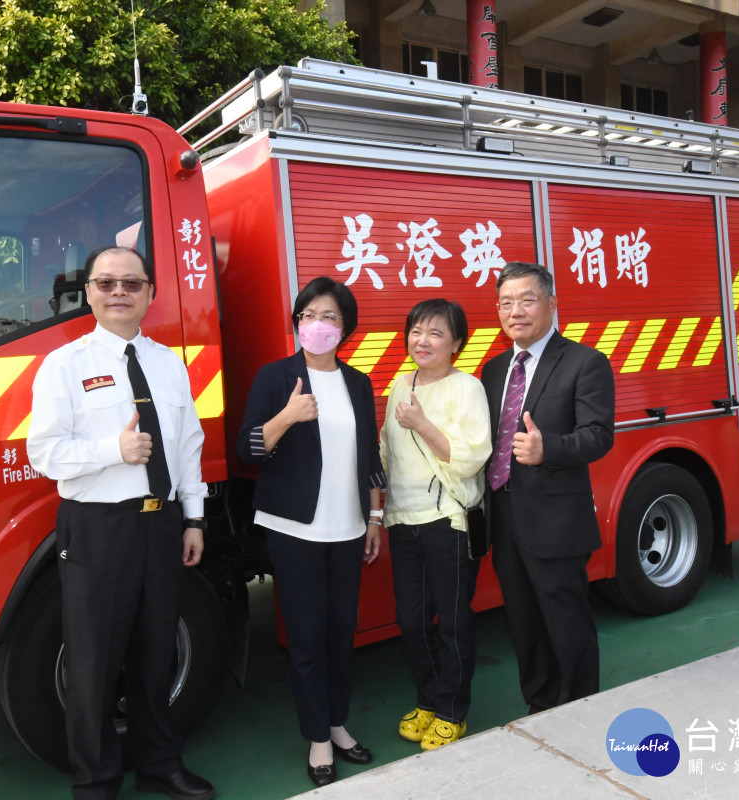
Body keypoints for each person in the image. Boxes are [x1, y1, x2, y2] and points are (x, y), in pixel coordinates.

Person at [27, 246, 214, 800]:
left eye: (131, 283)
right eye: (106, 283)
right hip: (97, 530)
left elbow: (189, 448)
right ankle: (96, 782)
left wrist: (194, 519)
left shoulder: (168, 363)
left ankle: (159, 763)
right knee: (93, 663)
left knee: (156, 653)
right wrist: (115, 448)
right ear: (87, 293)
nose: (119, 293)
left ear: (150, 294)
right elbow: (44, 452)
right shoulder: (65, 365)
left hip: (163, 526)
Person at [236, 276, 383, 789]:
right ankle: (317, 737)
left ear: (346, 329)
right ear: (297, 321)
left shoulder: (358, 383)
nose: (316, 325)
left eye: (329, 317)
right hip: (292, 529)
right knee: (306, 635)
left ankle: (338, 723)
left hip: (347, 527)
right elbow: (248, 449)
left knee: (341, 631)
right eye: (308, 315)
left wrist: (375, 517)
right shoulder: (277, 377)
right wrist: (287, 417)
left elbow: (370, 457)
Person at [481, 261, 614, 714]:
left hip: (557, 521)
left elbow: (598, 435)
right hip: (504, 519)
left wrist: (548, 447)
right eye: (505, 302)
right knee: (522, 622)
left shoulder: (585, 362)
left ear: (552, 304)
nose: (514, 311)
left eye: (526, 299)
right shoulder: (494, 368)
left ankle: (580, 707)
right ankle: (540, 707)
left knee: (566, 621)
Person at [380, 299, 491, 750]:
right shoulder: (398, 384)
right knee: (411, 620)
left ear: (456, 344)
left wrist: (423, 424)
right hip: (402, 520)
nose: (422, 341)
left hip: (449, 520)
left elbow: (471, 457)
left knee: (453, 621)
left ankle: (452, 709)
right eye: (416, 331)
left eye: (435, 333)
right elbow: (387, 451)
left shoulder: (467, 388)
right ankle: (428, 698)